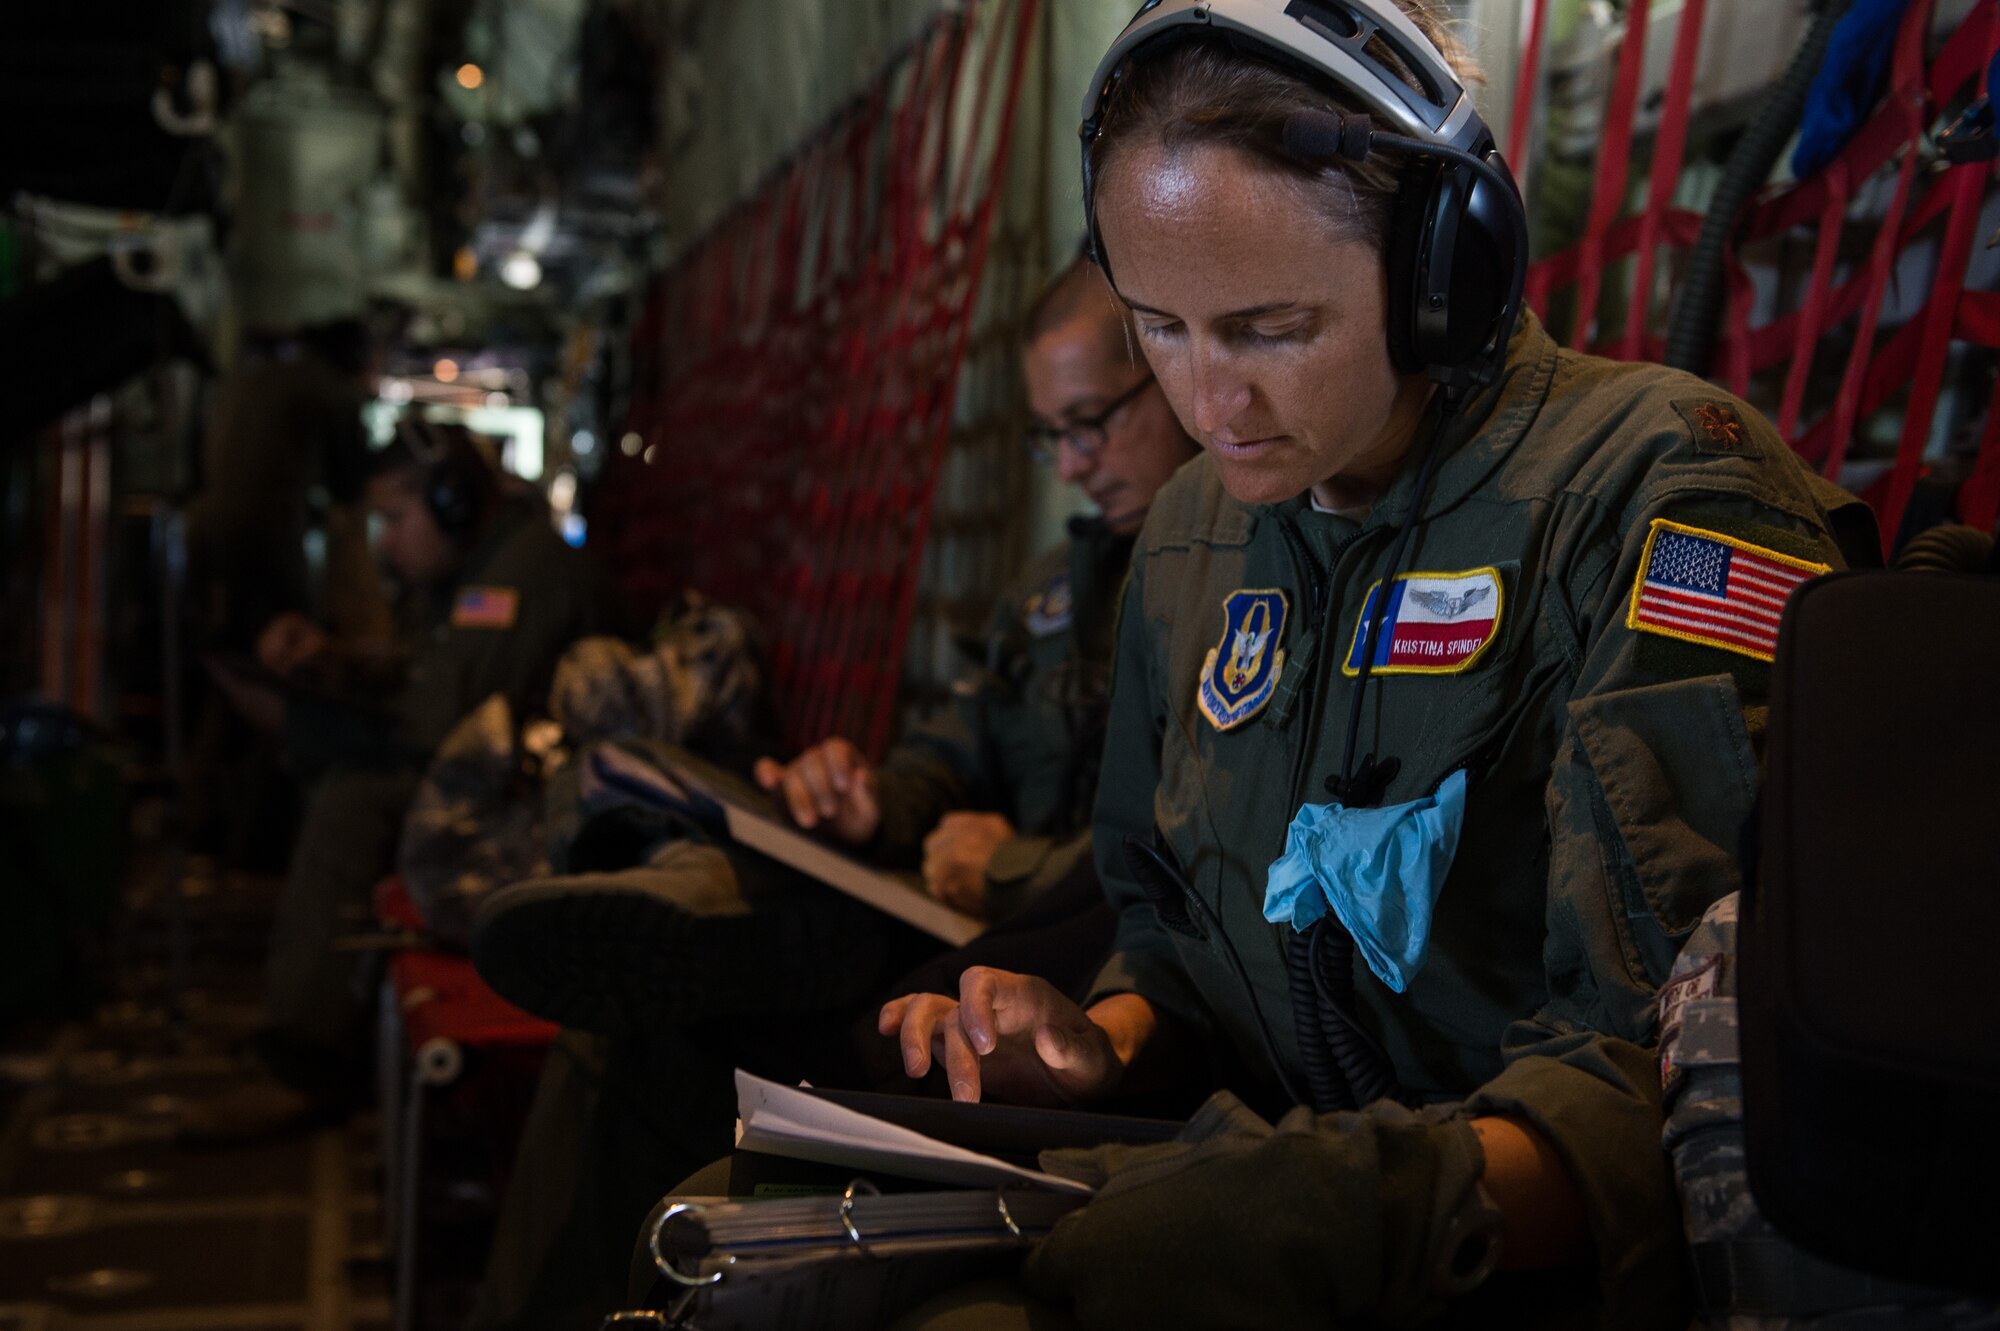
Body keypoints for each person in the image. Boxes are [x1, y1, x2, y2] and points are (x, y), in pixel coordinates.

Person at [877, 3, 1879, 1329]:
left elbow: (1687, 1075)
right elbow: (1173, 941)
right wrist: (1094, 1046)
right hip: (1263, 1191)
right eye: (1157, 330)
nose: (1208, 404)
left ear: (1441, 274)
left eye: (1270, 327)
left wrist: (1375, 1210)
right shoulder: (1192, 534)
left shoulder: (1663, 491)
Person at [463, 256, 1200, 1331]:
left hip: (1065, 964)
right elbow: (954, 746)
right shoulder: (1053, 587)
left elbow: (1186, 855)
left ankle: (717, 909)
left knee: (688, 1039)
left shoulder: (1231, 584)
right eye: (1053, 435)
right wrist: (873, 796)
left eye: (1091, 422)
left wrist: (994, 863)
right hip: (951, 919)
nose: (1075, 464)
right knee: (629, 1028)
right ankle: (704, 891)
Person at [181, 419, 619, 1142]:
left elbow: (442, 737)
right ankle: (314, 1024)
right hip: (517, 783)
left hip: (553, 810)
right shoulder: (475, 570)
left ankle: (305, 1056)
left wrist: (308, 714)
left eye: (395, 518)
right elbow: (426, 674)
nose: (385, 542)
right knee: (343, 779)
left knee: (356, 798)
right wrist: (336, 661)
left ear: (450, 504)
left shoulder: (517, 578)